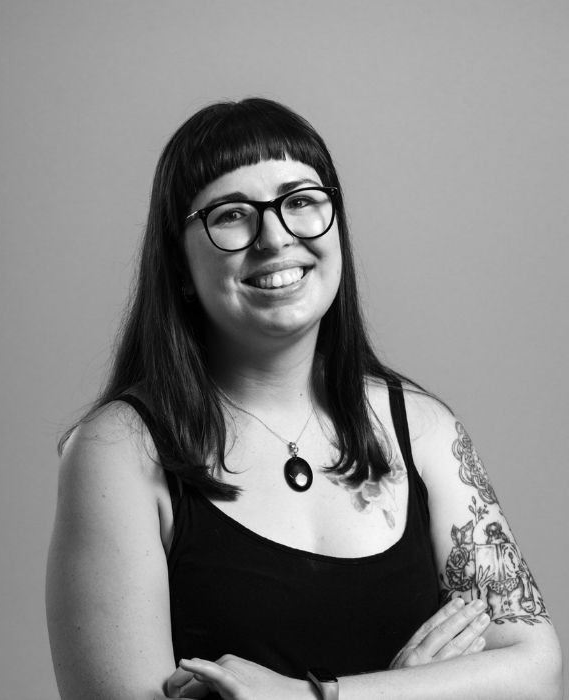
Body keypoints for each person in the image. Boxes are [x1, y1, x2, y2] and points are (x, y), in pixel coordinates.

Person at [46, 98, 562, 700]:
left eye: (300, 202)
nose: (275, 237)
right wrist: (415, 690)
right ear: (179, 265)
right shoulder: (118, 452)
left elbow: (539, 676)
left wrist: (315, 696)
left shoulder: (422, 428)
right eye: (231, 214)